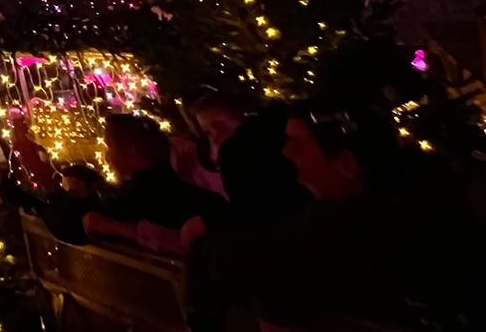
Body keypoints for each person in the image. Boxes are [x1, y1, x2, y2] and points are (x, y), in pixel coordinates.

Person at [186, 105, 484, 329]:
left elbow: (238, 259)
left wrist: (205, 243)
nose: (286, 152)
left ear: (345, 164)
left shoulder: (346, 225)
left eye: (298, 143)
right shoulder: (421, 192)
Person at [80, 113, 228, 254]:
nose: (107, 156)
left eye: (110, 148)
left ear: (132, 152)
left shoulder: (140, 198)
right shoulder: (202, 197)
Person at [187, 93, 308, 230]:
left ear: (245, 118)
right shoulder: (219, 158)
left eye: (220, 126)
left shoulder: (256, 153)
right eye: (207, 132)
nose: (215, 138)